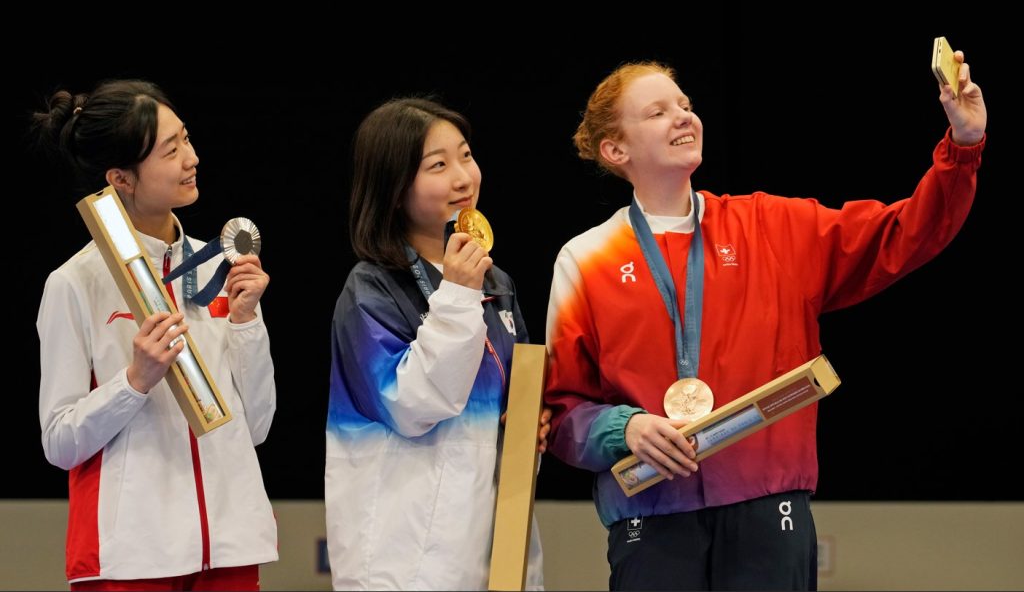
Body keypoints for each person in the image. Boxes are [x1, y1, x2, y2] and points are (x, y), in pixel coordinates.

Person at [544, 58, 985, 590]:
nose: (683, 117)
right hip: (651, 513)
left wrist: (962, 146)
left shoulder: (771, 227)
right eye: (658, 112)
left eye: (685, 105)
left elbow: (904, 233)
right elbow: (560, 411)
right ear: (617, 151)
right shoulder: (585, 258)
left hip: (768, 506)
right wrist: (625, 428)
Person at [34, 80, 278, 590]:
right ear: (120, 177)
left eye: (186, 139)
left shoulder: (215, 267)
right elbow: (59, 441)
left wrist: (246, 323)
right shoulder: (75, 283)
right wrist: (134, 381)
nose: (192, 158)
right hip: (133, 556)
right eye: (171, 150)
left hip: (233, 544)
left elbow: (255, 427)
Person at [326, 97, 547, 590]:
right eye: (438, 165)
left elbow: (512, 396)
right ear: (393, 186)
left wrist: (531, 421)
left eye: (466, 156)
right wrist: (457, 296)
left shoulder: (499, 283)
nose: (463, 178)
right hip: (405, 554)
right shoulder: (372, 289)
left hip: (495, 539)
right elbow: (412, 406)